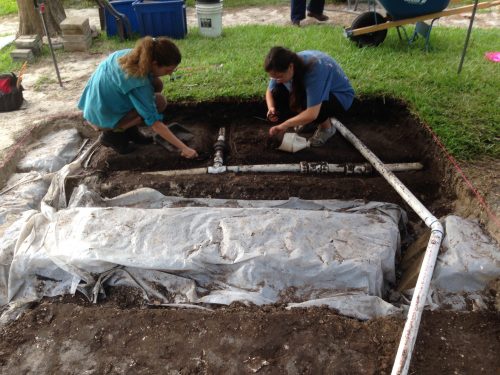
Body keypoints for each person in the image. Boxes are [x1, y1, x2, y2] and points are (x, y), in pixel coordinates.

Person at [78, 36, 198, 158]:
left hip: (94, 106)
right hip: (101, 118)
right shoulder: (138, 82)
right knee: (159, 102)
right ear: (155, 63)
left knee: (157, 84)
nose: (170, 74)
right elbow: (155, 123)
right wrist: (184, 148)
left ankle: (131, 131)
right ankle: (113, 136)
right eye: (168, 70)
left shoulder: (131, 55)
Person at [264, 46, 355, 147]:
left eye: (280, 76)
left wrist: (284, 125)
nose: (277, 79)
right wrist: (271, 108)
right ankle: (307, 121)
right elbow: (270, 91)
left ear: (290, 67)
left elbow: (312, 113)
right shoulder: (282, 65)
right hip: (315, 92)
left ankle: (327, 128)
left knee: (307, 105)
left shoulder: (314, 70)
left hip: (340, 97)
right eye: (273, 77)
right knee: (278, 91)